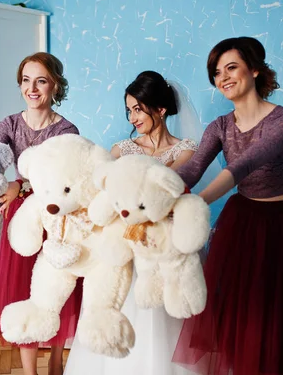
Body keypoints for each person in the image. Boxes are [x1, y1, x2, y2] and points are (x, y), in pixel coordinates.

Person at [172, 37, 283, 375]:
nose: (223, 78)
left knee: (281, 324)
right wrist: (149, 188)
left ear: (255, 70)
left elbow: (245, 165)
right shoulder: (219, 126)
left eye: (231, 67)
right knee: (242, 319)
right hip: (243, 225)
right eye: (217, 73)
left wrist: (194, 202)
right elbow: (191, 169)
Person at [64, 70, 205, 375]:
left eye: (138, 109)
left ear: (161, 109)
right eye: (129, 110)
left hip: (165, 246)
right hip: (129, 247)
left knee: (165, 318)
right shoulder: (121, 150)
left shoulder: (187, 150)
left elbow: (169, 191)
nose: (132, 118)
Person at [0, 52, 83, 375]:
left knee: (56, 291)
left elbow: (62, 181)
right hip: (21, 221)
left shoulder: (67, 130)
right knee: (21, 293)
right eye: (26, 80)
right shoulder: (8, 125)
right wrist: (10, 185)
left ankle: (56, 363)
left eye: (41, 80)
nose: (32, 88)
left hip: (56, 220)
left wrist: (18, 185)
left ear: (55, 85)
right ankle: (30, 373)